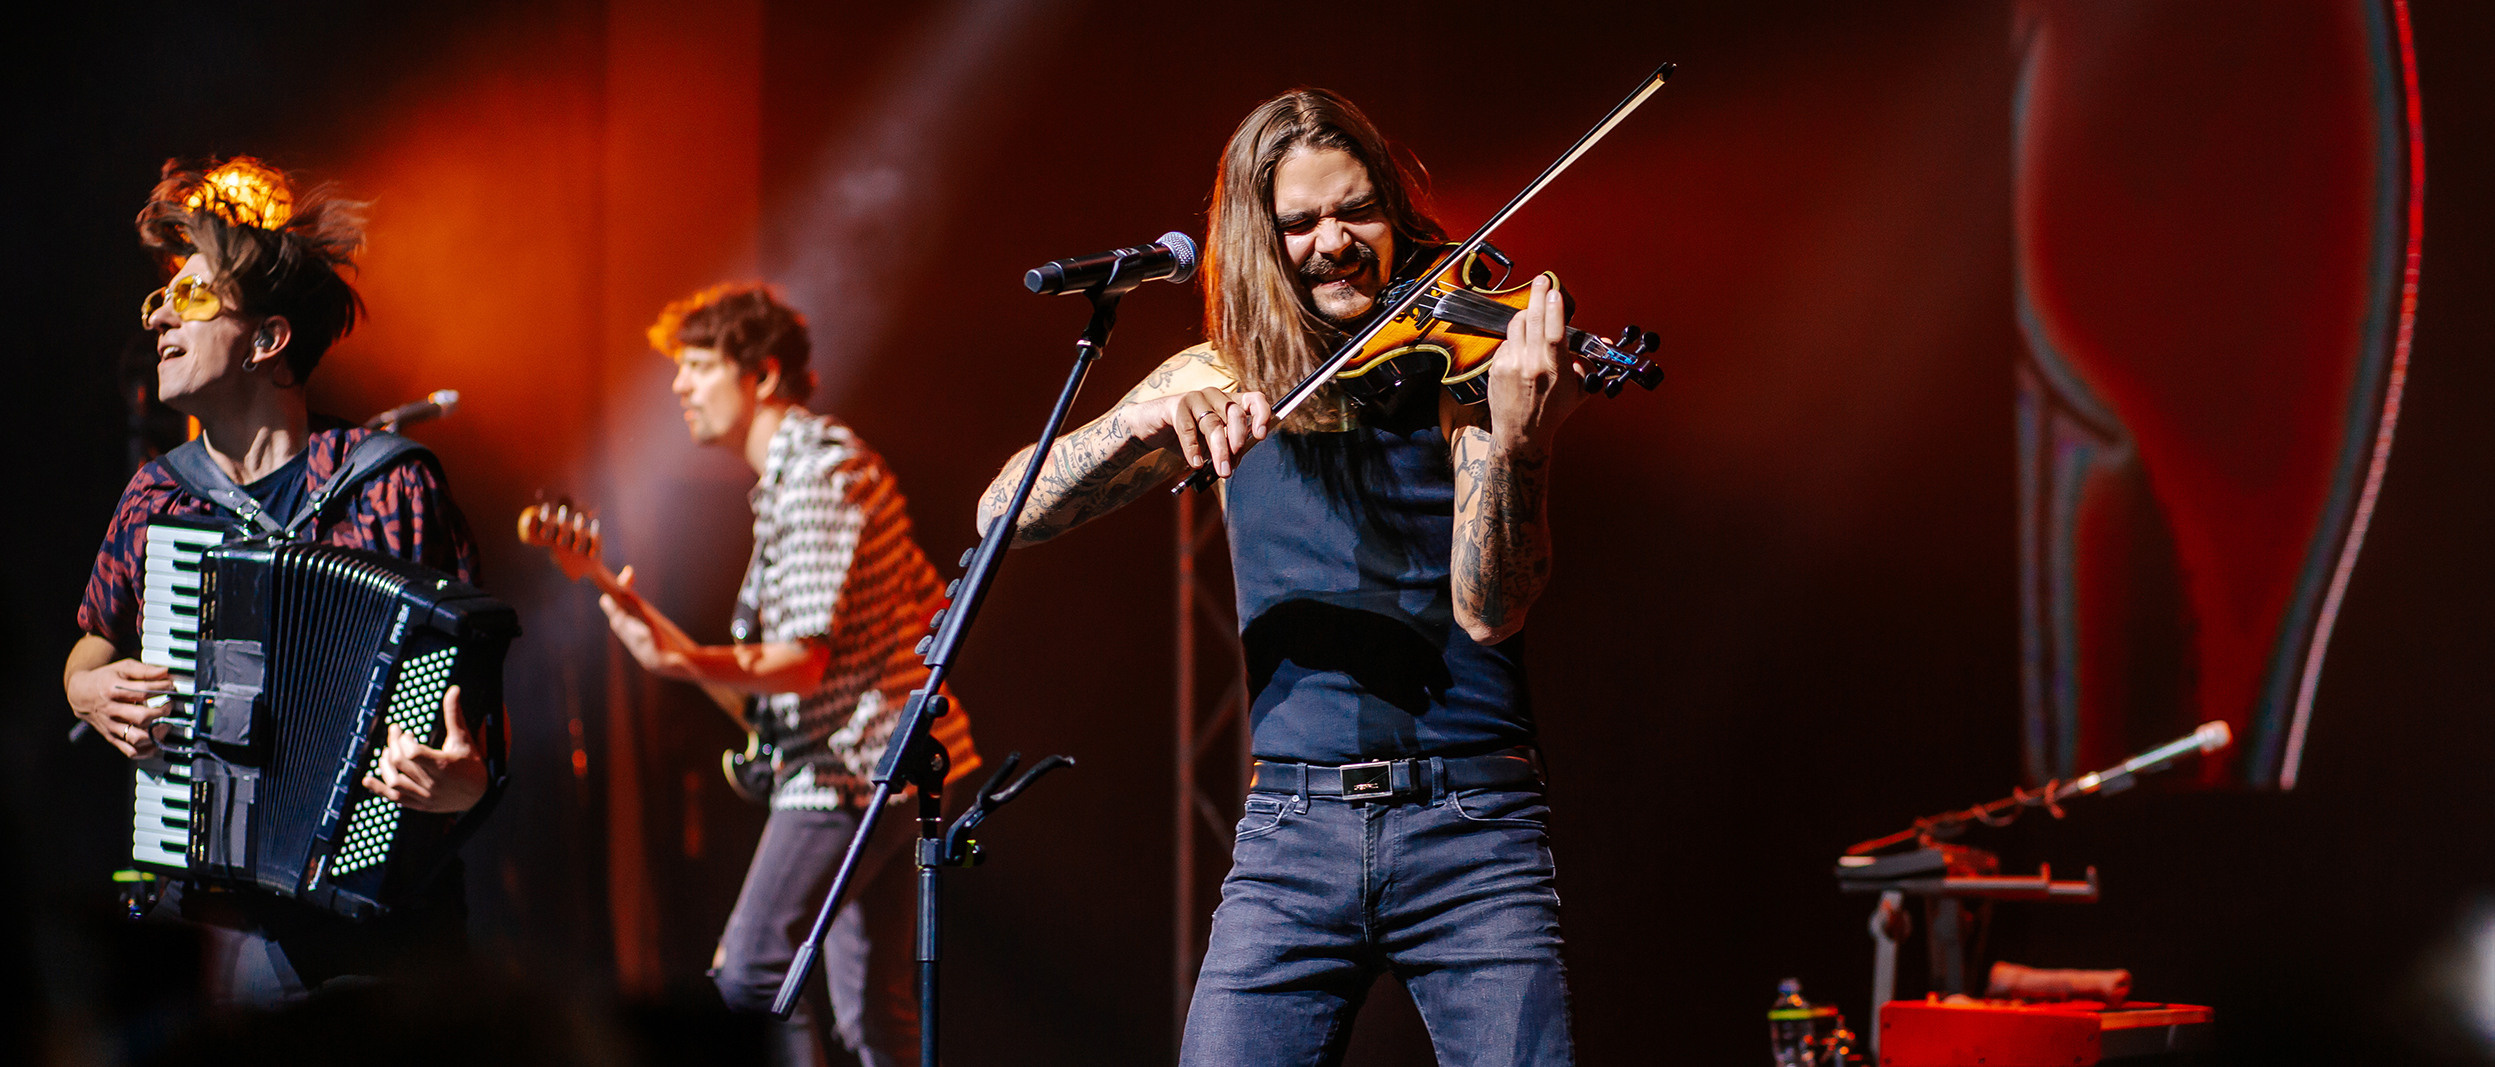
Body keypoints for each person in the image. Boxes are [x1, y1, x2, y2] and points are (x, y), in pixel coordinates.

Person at [976, 89, 1589, 1065]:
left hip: (1471, 824)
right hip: (1290, 830)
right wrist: (1129, 428)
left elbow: (1490, 608)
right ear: (1258, 239)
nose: (1334, 241)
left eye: (1356, 211)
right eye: (1300, 222)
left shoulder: (1462, 374)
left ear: (1394, 213)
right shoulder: (1217, 372)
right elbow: (1006, 509)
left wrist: (1517, 445)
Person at [64, 157, 493, 1005]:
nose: (160, 322)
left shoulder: (391, 486)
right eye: (160, 302)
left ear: (267, 339)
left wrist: (458, 782)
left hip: (372, 924)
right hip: (213, 914)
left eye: (190, 300)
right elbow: (90, 644)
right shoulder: (158, 495)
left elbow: (477, 729)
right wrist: (86, 690)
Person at [595, 283, 976, 1067]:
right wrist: (664, 643)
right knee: (871, 1012)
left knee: (750, 977)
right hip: (880, 759)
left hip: (856, 767)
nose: (678, 385)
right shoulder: (797, 473)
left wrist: (680, 658)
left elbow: (802, 661)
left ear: (762, 375)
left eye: (698, 364)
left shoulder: (817, 473)